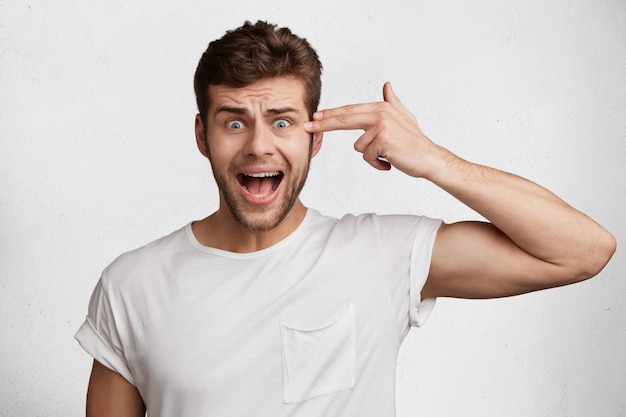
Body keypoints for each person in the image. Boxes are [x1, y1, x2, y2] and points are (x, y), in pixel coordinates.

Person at [75, 20, 616, 417]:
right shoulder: (133, 285)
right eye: (234, 123)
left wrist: (433, 160)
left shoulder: (381, 253)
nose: (260, 146)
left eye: (283, 122)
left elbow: (583, 251)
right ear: (202, 137)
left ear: (315, 138)